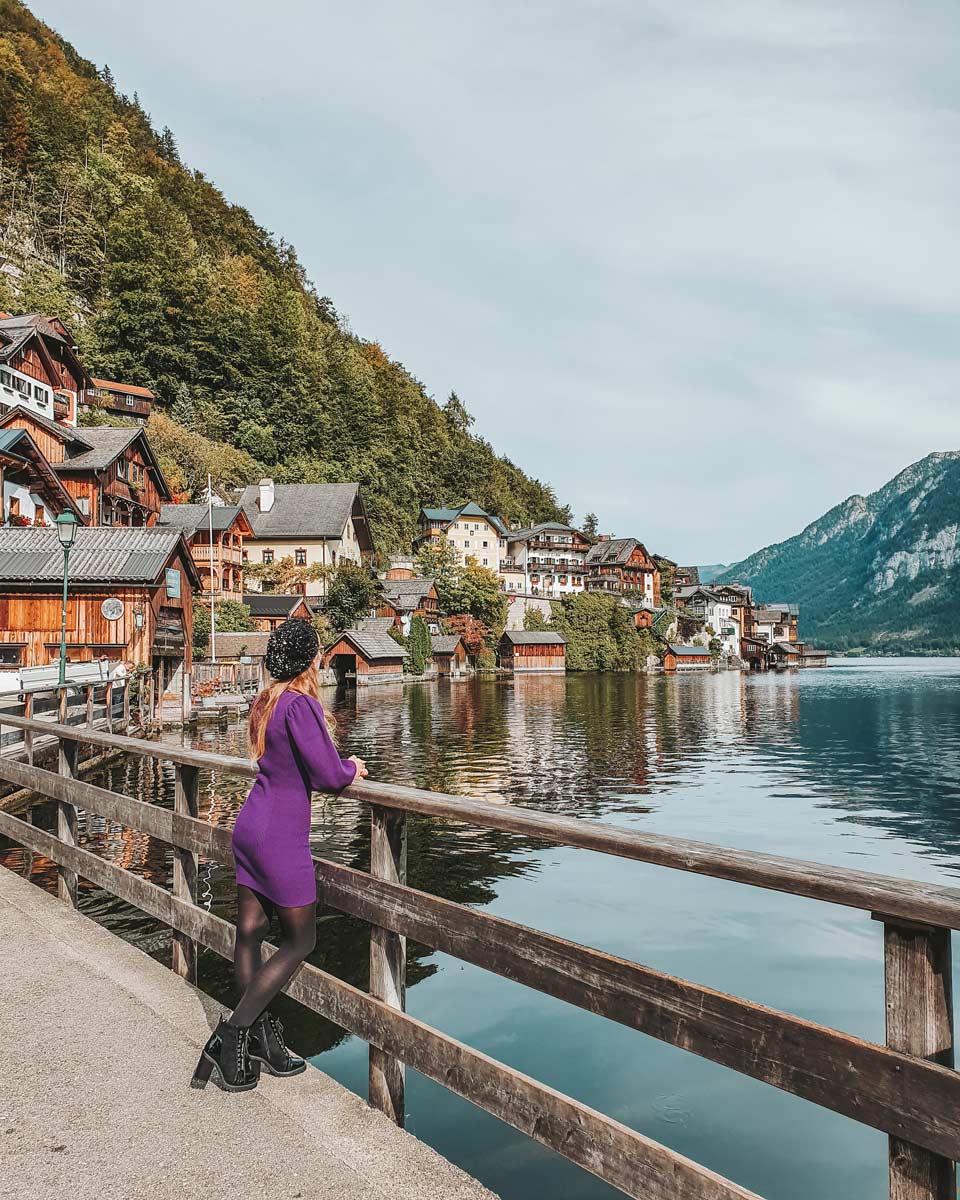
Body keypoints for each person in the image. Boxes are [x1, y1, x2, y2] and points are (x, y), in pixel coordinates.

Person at [191, 618, 367, 1092]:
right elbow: (330, 775)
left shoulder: (266, 701)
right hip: (281, 836)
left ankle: (260, 1041)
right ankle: (231, 1034)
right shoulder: (302, 706)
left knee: (250, 932)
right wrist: (354, 765)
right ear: (311, 659)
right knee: (300, 942)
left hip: (249, 825)